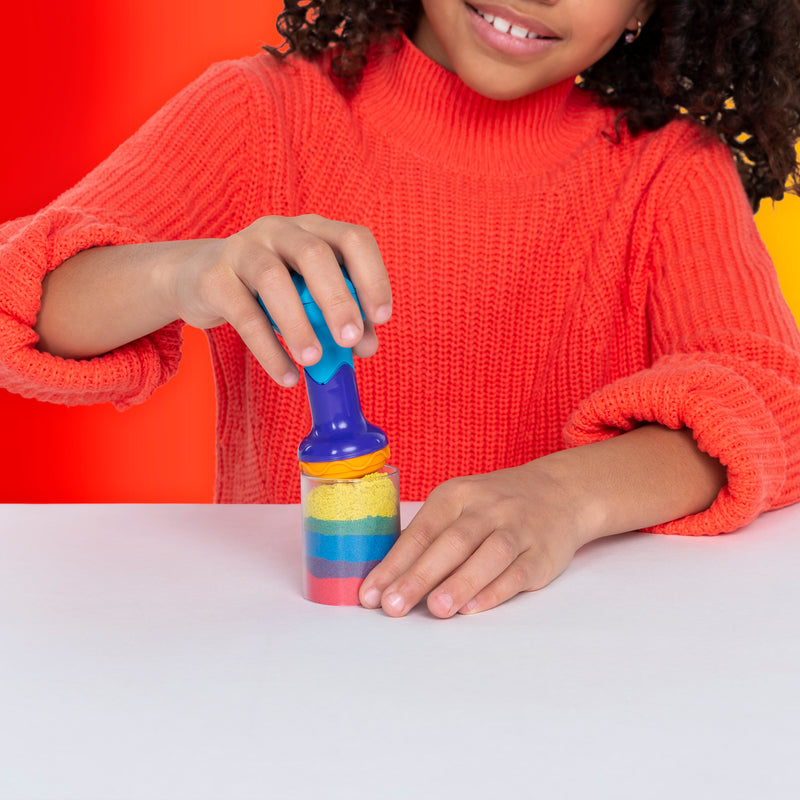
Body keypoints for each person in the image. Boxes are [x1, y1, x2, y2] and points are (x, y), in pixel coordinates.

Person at [2, 0, 799, 618]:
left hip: (561, 659)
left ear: (651, 10)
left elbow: (768, 398)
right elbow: (21, 304)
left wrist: (562, 497)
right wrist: (187, 272)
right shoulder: (263, 115)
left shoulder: (670, 173)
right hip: (292, 658)